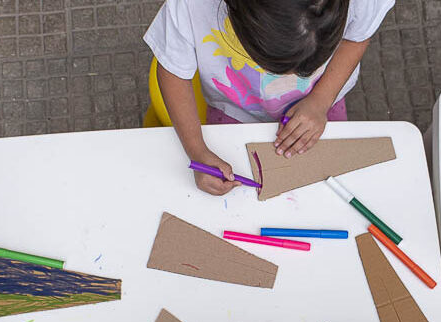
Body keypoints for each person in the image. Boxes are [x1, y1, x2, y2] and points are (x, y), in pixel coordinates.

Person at [145, 0, 394, 194]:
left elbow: (358, 36)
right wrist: (198, 152)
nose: (297, 75)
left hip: (324, 100)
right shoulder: (191, 6)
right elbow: (172, 70)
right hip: (234, 108)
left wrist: (321, 99)